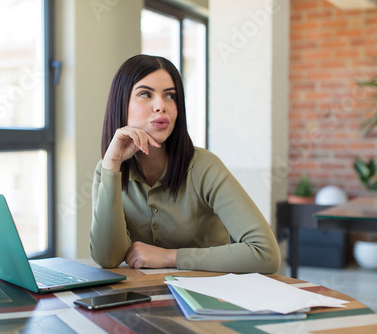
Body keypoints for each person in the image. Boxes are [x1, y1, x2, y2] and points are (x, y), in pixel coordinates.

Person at [90, 54, 281, 273]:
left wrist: (169, 257)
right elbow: (107, 258)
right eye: (145, 94)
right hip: (146, 298)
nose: (161, 105)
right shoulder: (106, 170)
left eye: (170, 96)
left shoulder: (204, 166)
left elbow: (265, 253)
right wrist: (112, 163)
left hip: (211, 298)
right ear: (121, 104)